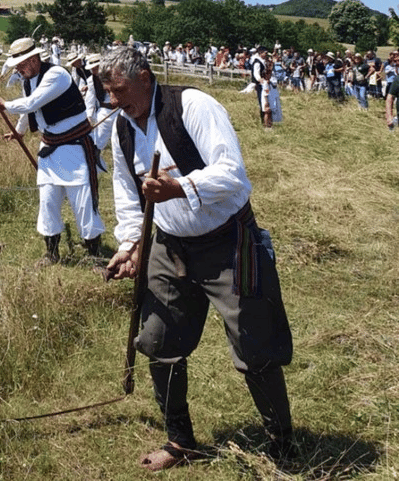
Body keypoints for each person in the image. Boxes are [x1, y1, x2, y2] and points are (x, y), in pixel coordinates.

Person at [98, 47, 294, 471]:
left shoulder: (193, 106)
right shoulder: (123, 127)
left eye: (119, 90)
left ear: (145, 78)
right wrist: (130, 246)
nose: (113, 100)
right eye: (107, 92)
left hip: (228, 241)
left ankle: (282, 443)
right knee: (158, 341)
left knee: (255, 345)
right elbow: (127, 194)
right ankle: (180, 442)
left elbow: (232, 173)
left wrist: (179, 187)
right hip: (170, 246)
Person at [0, 37, 105, 265]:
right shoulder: (28, 80)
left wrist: (6, 105)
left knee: (82, 203)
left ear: (34, 59)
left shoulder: (56, 75)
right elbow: (30, 109)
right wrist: (20, 131)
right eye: (17, 66)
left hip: (75, 148)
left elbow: (32, 103)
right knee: (47, 203)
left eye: (22, 65)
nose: (19, 70)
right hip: (49, 149)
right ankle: (51, 253)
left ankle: (95, 255)